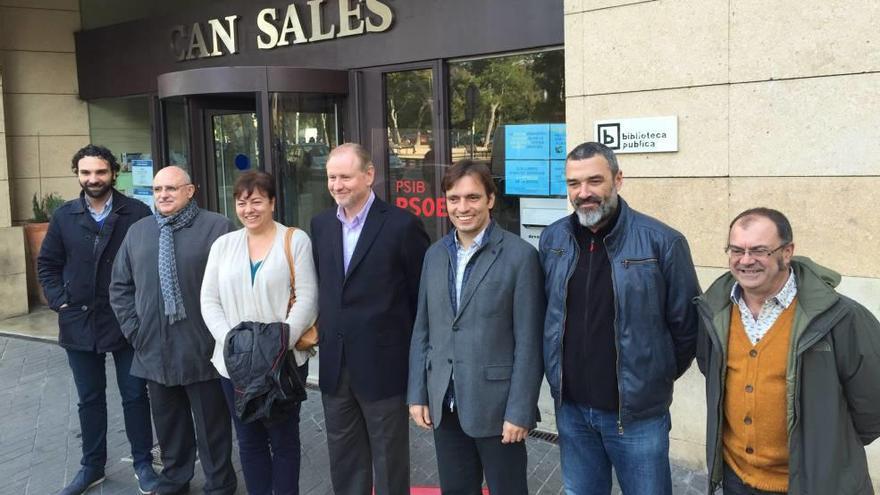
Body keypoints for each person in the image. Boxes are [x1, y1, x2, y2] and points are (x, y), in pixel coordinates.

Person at [539, 141, 701, 495]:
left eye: (594, 181)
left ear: (618, 180)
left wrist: (651, 375)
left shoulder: (662, 242)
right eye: (573, 184)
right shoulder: (553, 240)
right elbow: (546, 316)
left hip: (636, 417)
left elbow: (687, 329)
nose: (584, 193)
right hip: (572, 412)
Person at [695, 208, 880, 494]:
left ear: (787, 251)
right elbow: (713, 374)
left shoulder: (842, 317)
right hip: (736, 480)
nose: (745, 260)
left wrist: (828, 453)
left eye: (759, 250)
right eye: (736, 250)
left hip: (809, 483)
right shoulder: (714, 311)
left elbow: (872, 405)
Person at [407, 160, 544, 494]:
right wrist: (418, 393)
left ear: (490, 199)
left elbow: (529, 341)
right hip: (445, 404)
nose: (462, 207)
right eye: (454, 199)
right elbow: (422, 329)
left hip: (498, 409)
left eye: (472, 197)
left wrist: (520, 409)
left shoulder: (520, 256)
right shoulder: (434, 255)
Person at [37, 144, 159, 495]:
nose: (93, 179)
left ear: (114, 173)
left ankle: (142, 463)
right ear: (77, 173)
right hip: (78, 322)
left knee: (135, 395)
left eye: (100, 172)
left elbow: (148, 263)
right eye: (86, 172)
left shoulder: (136, 212)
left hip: (126, 321)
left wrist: (143, 310)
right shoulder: (64, 216)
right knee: (89, 398)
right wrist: (59, 301)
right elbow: (47, 264)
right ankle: (92, 466)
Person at [310, 142, 429, 495]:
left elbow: (419, 299)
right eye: (332, 177)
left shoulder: (402, 225)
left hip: (383, 368)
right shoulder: (320, 225)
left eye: (345, 176)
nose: (337, 185)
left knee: (390, 465)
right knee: (345, 462)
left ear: (369, 175)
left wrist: (417, 367)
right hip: (335, 367)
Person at [110, 166, 237, 495]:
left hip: (203, 348)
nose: (163, 195)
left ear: (190, 191)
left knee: (213, 428)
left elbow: (232, 285)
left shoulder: (217, 227)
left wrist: (221, 335)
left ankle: (220, 485)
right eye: (157, 189)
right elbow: (120, 286)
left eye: (171, 188)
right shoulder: (139, 231)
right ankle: (176, 480)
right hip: (154, 348)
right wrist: (135, 332)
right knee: (169, 426)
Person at [200, 171, 318, 495]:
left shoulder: (295, 240)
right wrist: (234, 345)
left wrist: (276, 346)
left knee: (283, 440)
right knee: (249, 440)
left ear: (272, 202)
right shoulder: (223, 245)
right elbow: (209, 300)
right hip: (234, 365)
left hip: (284, 361)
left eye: (256, 201)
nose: (249, 208)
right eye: (242, 202)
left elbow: (307, 298)